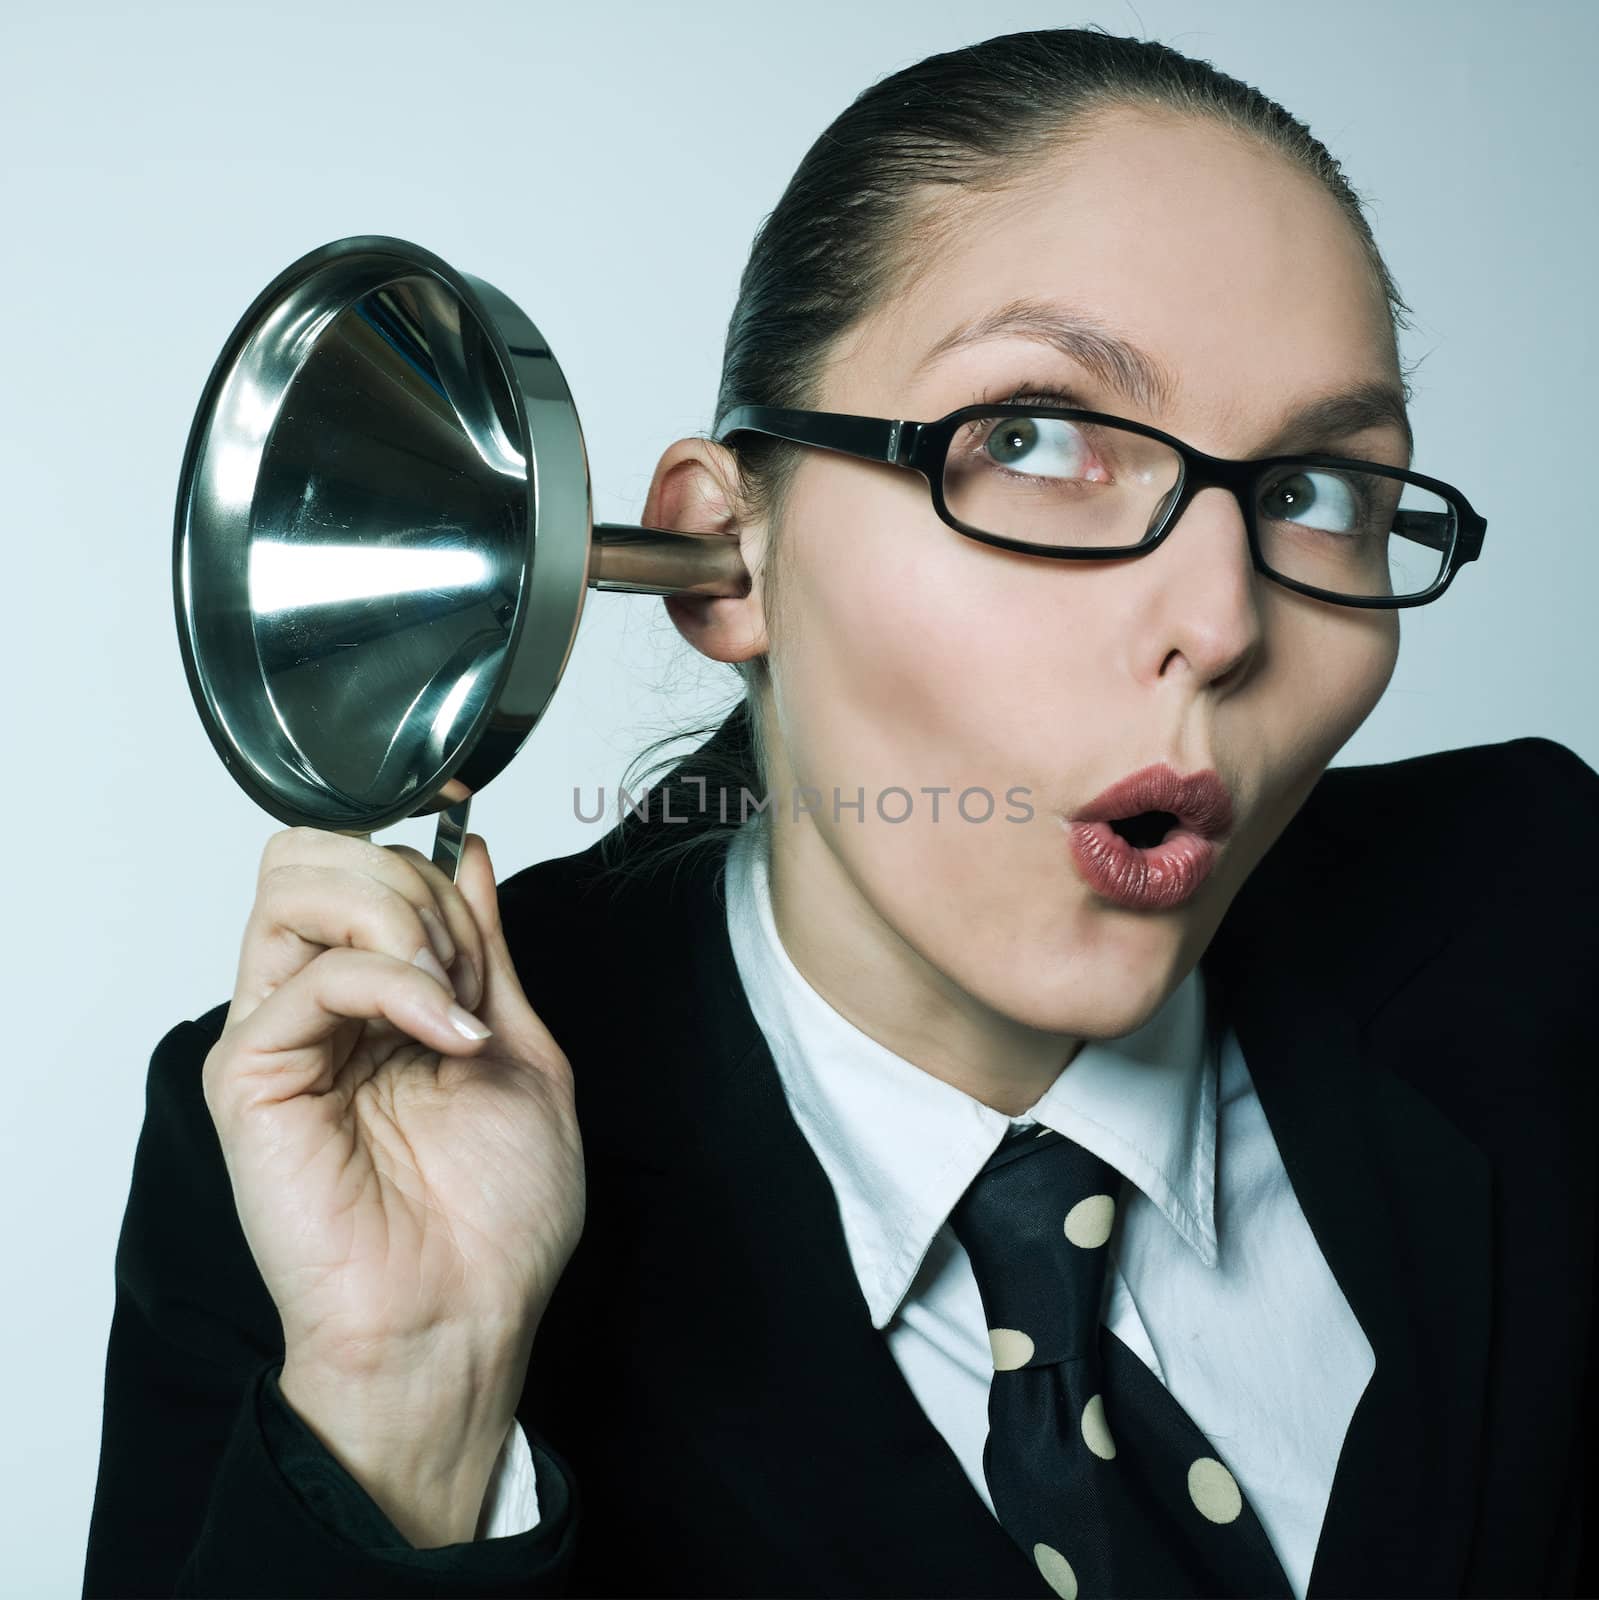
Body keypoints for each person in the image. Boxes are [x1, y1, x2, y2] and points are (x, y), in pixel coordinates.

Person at [83, 25, 1599, 1600]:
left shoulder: (1545, 921)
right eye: (1031, 439)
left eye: (1316, 492)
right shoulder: (317, 1147)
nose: (1220, 623)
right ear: (726, 556)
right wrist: (411, 1407)